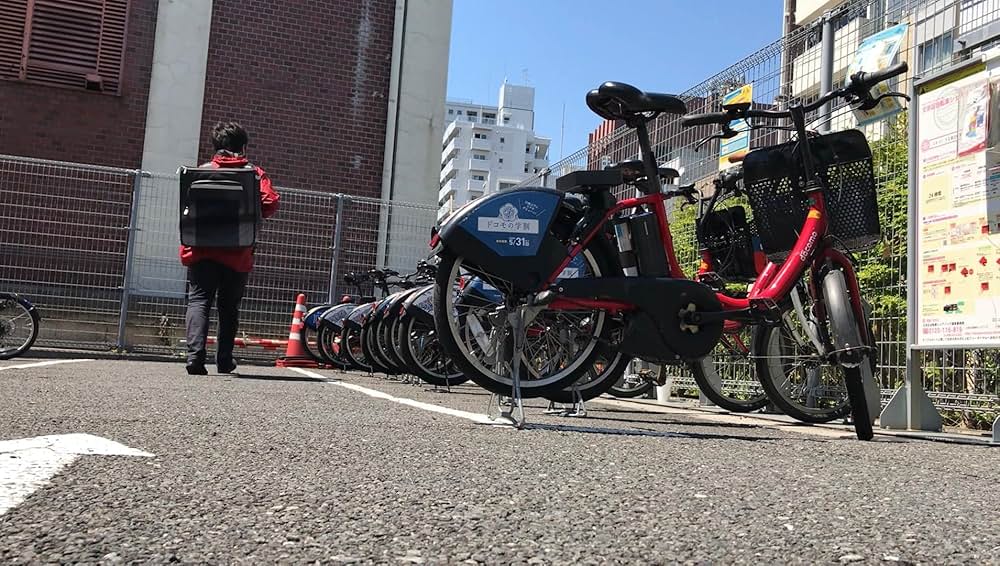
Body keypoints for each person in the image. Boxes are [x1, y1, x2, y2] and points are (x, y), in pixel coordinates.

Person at [181, 121, 280, 375]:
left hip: (201, 247)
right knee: (228, 306)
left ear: (215, 146)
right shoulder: (254, 173)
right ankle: (224, 359)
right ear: (243, 146)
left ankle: (195, 357)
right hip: (238, 249)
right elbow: (270, 203)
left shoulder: (200, 171)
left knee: (199, 300)